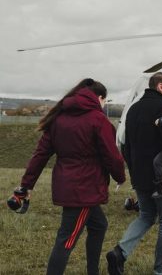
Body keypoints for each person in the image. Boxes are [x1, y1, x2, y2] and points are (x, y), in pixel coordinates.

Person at [9, 78, 126, 275]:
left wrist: (26, 185)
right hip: (84, 189)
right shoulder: (98, 120)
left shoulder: (58, 119)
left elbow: (40, 155)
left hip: (69, 185)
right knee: (67, 240)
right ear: (99, 98)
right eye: (105, 100)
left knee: (99, 225)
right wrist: (120, 176)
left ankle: (92, 271)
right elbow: (111, 155)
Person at [107, 72, 162, 275]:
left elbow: (125, 145)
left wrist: (134, 171)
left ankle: (120, 252)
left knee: (146, 216)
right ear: (160, 87)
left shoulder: (133, 110)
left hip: (141, 177)